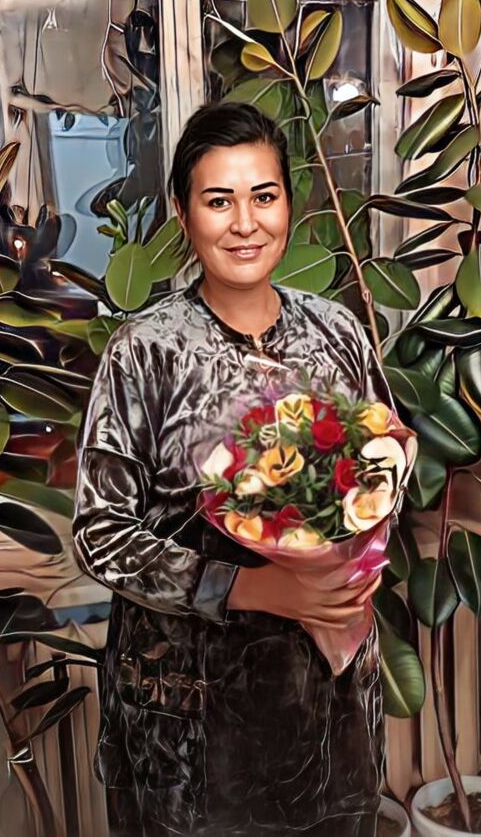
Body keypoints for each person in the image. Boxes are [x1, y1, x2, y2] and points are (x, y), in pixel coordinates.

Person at [72, 101, 398, 837]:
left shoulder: (337, 331)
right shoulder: (145, 352)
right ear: (183, 215)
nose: (245, 223)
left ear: (289, 204)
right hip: (188, 727)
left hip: (329, 710)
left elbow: (382, 470)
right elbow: (100, 535)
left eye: (264, 196)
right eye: (219, 200)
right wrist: (253, 585)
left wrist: (353, 565)